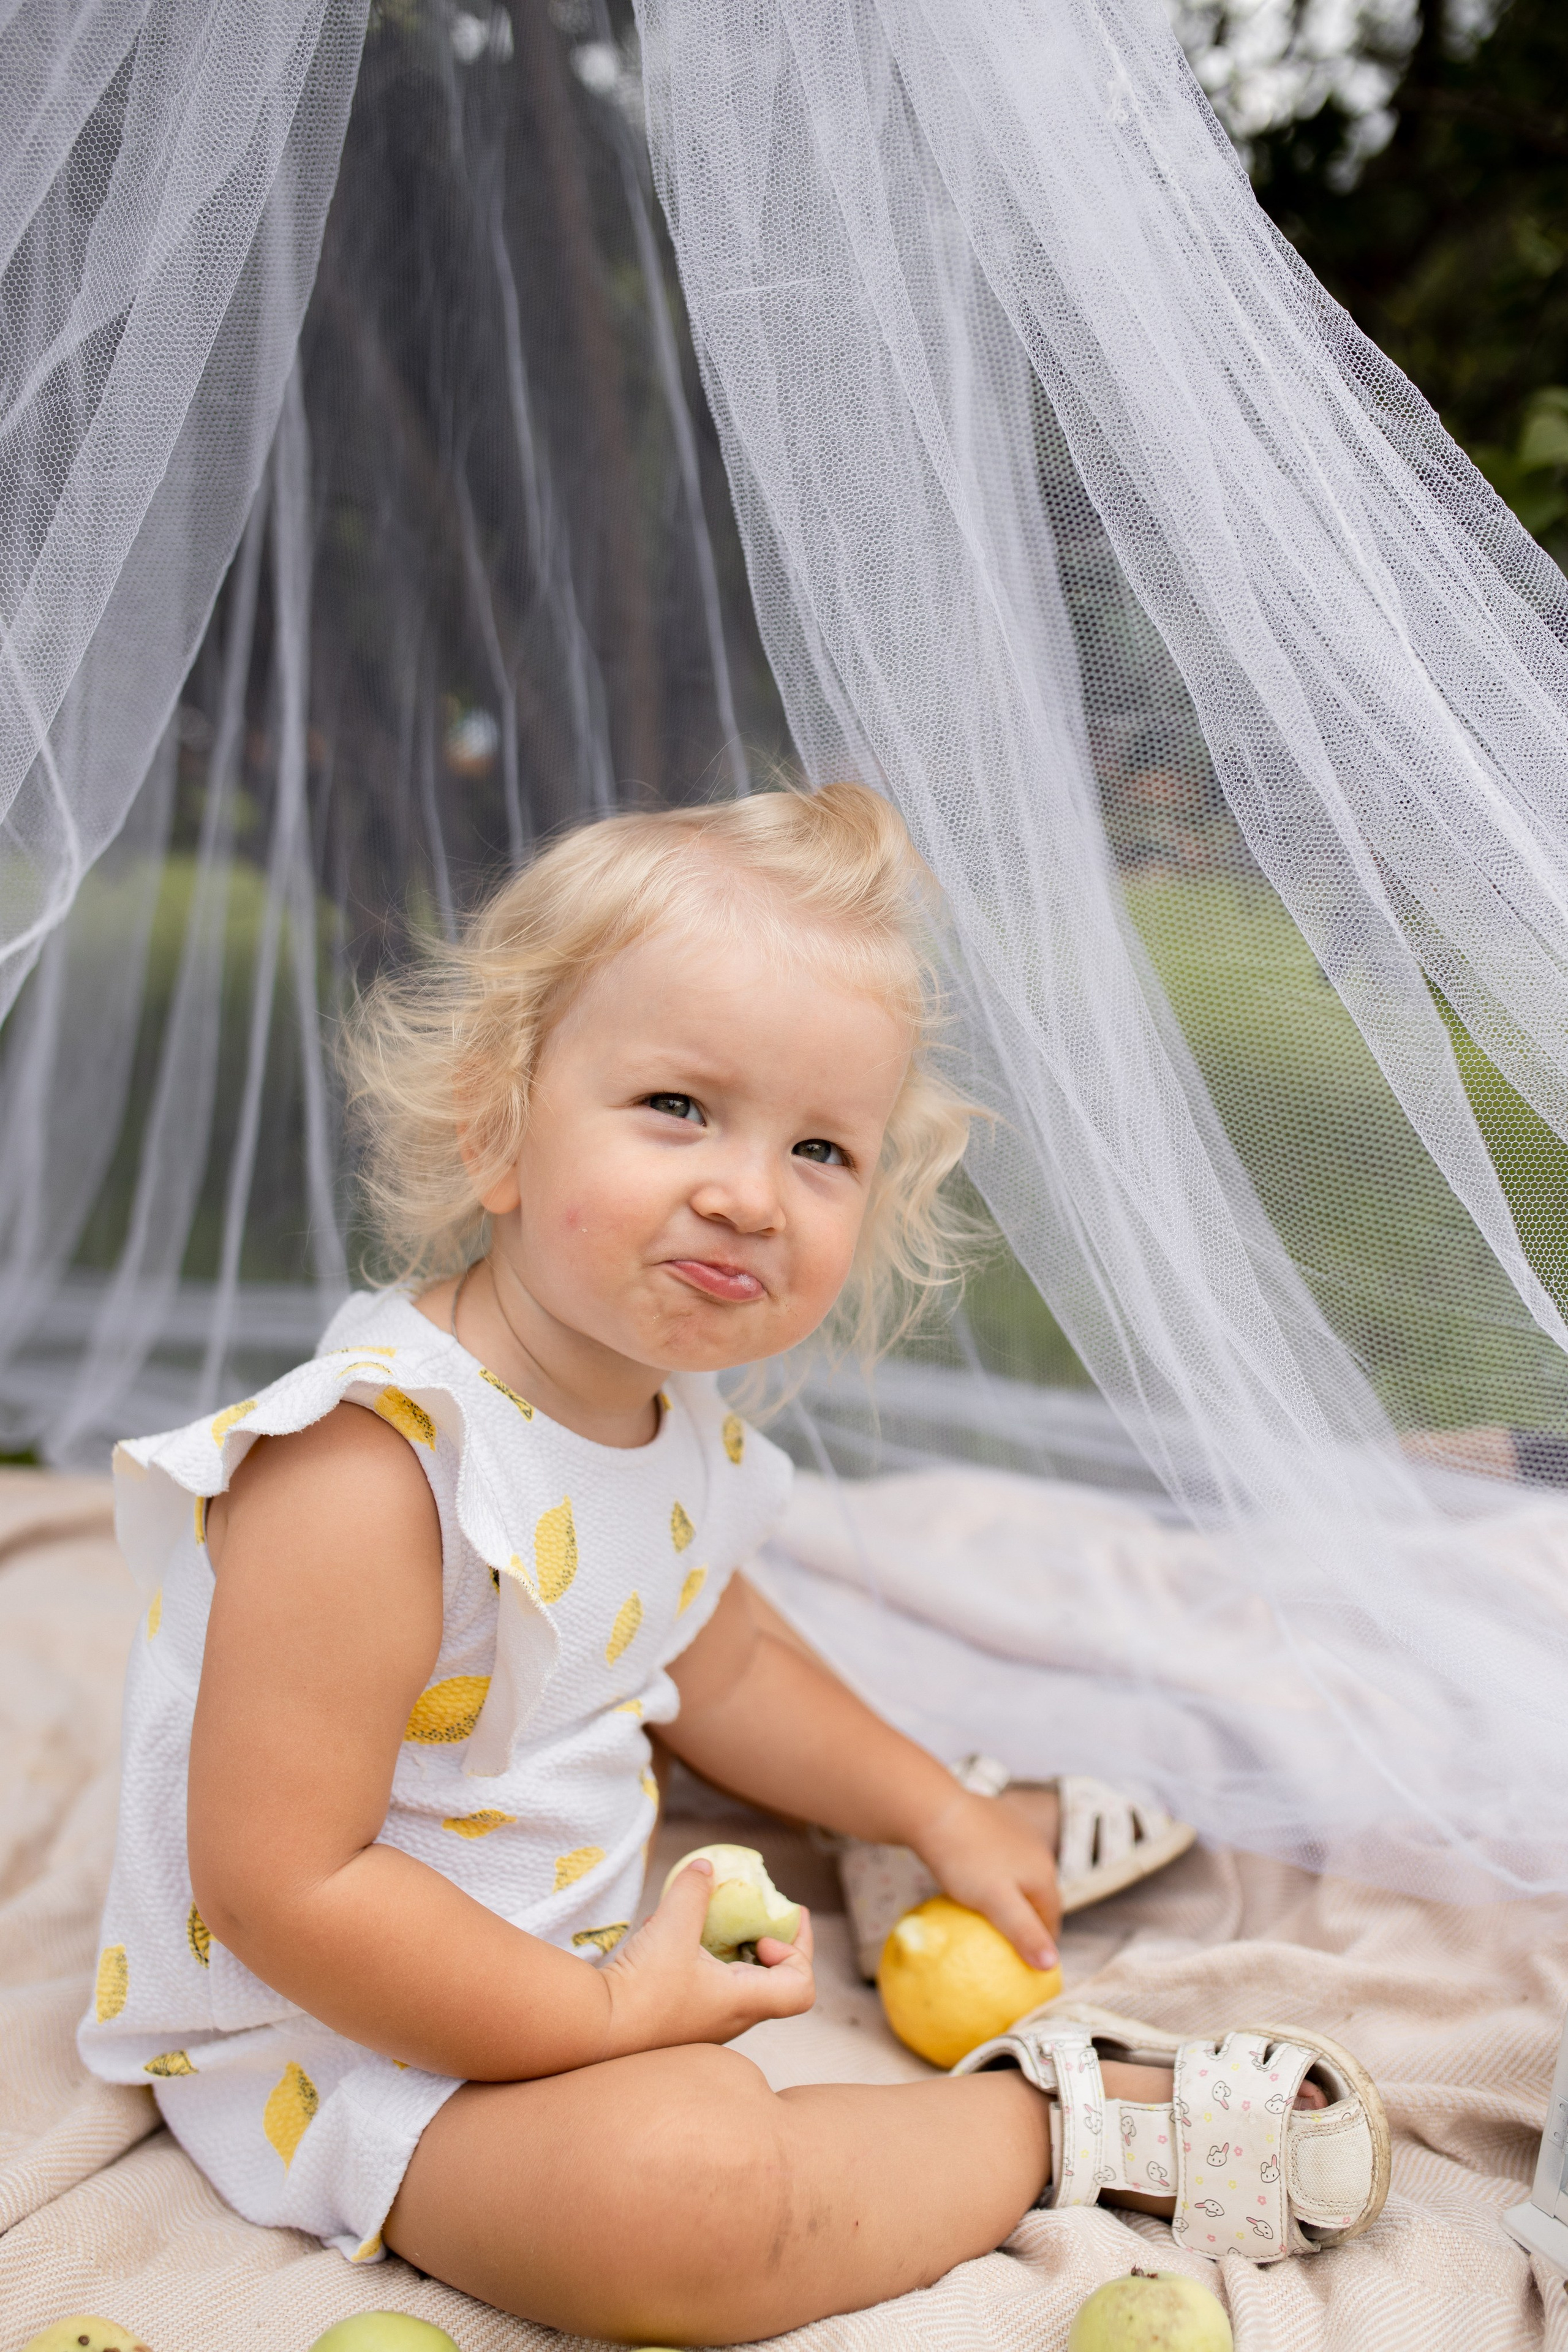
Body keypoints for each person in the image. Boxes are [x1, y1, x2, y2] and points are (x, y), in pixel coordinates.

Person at [80, 785, 1389, 2342]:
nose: (748, 1192)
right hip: (331, 2037)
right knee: (680, 2206)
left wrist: (926, 1800)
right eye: (678, 1109)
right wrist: (609, 2017)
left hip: (557, 1969)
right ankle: (1061, 2123)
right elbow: (282, 1884)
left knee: (757, 1804)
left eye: (821, 1147)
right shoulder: (373, 1470)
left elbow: (718, 1656)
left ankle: (919, 1843)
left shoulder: (651, 1412)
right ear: (492, 1127)